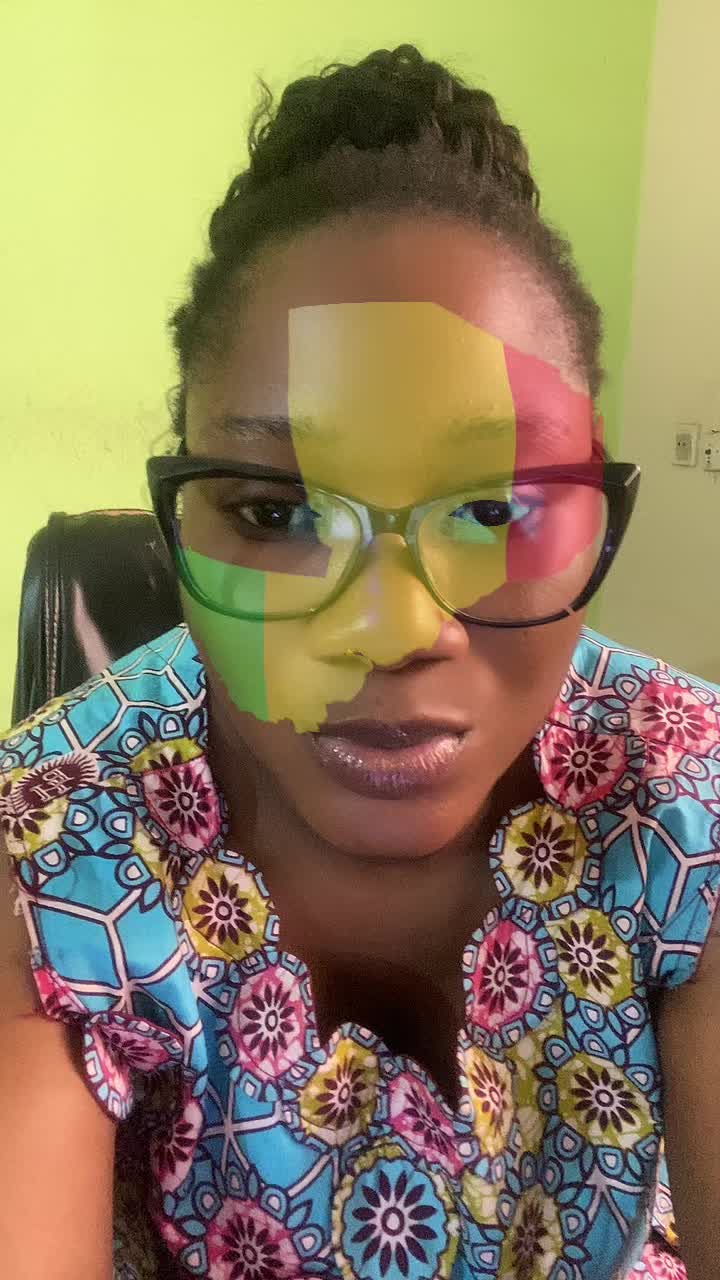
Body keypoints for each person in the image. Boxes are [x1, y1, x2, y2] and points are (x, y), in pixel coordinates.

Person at [1, 43, 718, 1280]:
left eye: (491, 508)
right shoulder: (58, 845)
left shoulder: (687, 799)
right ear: (182, 520)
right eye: (279, 511)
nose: (394, 628)